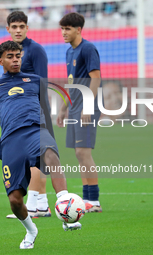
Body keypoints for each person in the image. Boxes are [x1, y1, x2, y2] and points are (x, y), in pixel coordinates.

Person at [0, 41, 81, 249]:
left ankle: (64, 205)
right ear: (0, 60)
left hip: (36, 130)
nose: (15, 59)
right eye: (10, 56)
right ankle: (31, 230)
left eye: (18, 56)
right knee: (15, 200)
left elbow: (45, 111)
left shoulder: (35, 81)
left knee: (50, 155)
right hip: (10, 140)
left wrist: (51, 140)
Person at [5, 11, 50, 219]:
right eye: (14, 27)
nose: (18, 30)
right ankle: (42, 204)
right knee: (30, 158)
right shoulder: (9, 52)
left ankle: (32, 206)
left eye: (21, 26)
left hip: (36, 111)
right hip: (17, 115)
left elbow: (42, 83)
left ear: (27, 28)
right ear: (8, 29)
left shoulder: (36, 50)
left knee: (36, 159)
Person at [57, 12, 102, 213]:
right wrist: (63, 107)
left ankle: (94, 199)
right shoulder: (69, 52)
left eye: (67, 29)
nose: (64, 32)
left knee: (83, 152)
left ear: (78, 30)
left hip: (86, 105)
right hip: (75, 106)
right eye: (62, 29)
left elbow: (96, 78)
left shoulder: (88, 48)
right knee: (78, 153)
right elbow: (71, 82)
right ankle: (87, 198)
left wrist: (88, 106)